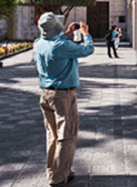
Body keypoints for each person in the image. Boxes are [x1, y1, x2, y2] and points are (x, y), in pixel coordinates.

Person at [33, 13, 94, 186]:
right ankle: (59, 177)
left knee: (52, 135)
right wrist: (86, 34)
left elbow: (54, 42)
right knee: (66, 136)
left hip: (46, 94)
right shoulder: (62, 46)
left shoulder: (38, 44)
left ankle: (54, 171)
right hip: (63, 96)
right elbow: (88, 50)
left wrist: (66, 32)